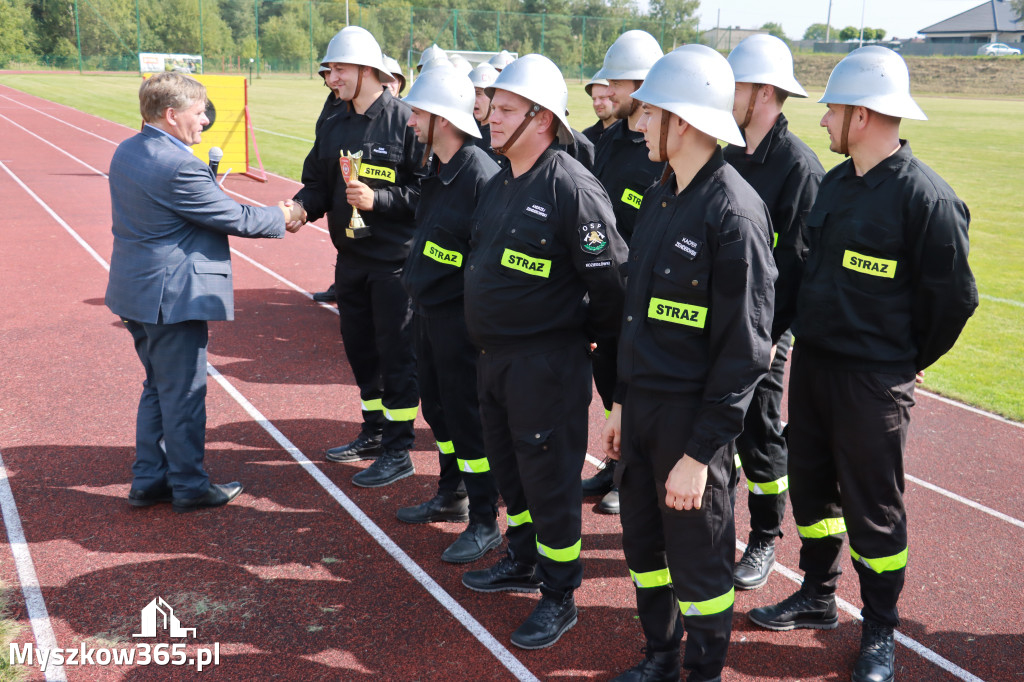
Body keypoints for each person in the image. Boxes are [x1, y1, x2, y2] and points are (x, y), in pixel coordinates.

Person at [747, 46, 978, 682]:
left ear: (864, 113)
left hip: (874, 381)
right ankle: (819, 598)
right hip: (816, 368)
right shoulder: (837, 185)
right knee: (814, 491)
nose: (822, 121)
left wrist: (905, 360)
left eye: (833, 110)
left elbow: (954, 301)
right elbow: (804, 271)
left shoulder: (925, 199)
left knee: (875, 508)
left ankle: (879, 630)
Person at [601, 45, 776, 681]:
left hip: (690, 423)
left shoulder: (735, 213)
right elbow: (636, 314)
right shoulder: (661, 194)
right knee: (644, 549)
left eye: (652, 113)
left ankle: (702, 673)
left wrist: (701, 454)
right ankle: (660, 657)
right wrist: (621, 400)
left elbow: (745, 350)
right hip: (643, 410)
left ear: (687, 123)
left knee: (700, 567)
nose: (639, 123)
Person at [461, 54, 627, 650]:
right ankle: (523, 558)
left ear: (543, 119)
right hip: (496, 361)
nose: (492, 118)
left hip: (545, 368)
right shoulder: (503, 179)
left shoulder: (572, 188)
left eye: (505, 110)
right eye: (494, 107)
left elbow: (612, 288)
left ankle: (559, 596)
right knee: (513, 474)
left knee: (551, 485)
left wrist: (575, 338)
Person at [106, 72, 303, 513]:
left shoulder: (128, 149)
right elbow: (235, 218)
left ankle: (149, 480)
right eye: (199, 113)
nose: (205, 121)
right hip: (170, 298)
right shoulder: (179, 165)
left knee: (157, 387)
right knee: (184, 395)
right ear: (171, 115)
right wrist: (283, 214)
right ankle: (190, 486)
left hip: (134, 292)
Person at [291, 26, 427, 487]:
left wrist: (380, 201)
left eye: (340, 69)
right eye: (328, 71)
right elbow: (316, 184)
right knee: (361, 350)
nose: (332, 78)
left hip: (396, 263)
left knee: (397, 356)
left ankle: (399, 448)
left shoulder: (407, 121)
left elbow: (429, 193)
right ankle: (373, 431)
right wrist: (299, 208)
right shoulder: (331, 122)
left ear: (369, 70)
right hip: (349, 261)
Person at [723, 34, 825, 591]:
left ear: (763, 92)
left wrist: (767, 336)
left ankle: (765, 535)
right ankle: (714, 525)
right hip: (719, 321)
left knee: (760, 431)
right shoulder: (725, 148)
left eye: (735, 84)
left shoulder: (798, 169)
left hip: (766, 330)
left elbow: (800, 268)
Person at [396, 65, 503, 563]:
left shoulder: (479, 173)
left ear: (442, 117)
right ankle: (452, 492)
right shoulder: (437, 169)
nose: (412, 119)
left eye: (419, 111)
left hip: (458, 322)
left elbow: (485, 256)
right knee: (436, 410)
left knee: (466, 418)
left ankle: (484, 519)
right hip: (428, 312)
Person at [583, 29, 666, 516]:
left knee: (633, 385)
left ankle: (629, 474)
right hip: (605, 288)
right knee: (608, 378)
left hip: (641, 292)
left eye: (616, 83)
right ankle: (614, 465)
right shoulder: (607, 140)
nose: (606, 91)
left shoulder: (659, 149)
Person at [468, 62, 503, 167]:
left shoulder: (501, 134)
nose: (473, 99)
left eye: (478, 93)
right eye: (470, 93)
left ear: (493, 97)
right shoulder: (468, 132)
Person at [581, 76, 614, 146]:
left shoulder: (630, 135)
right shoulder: (586, 137)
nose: (596, 103)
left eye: (602, 98)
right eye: (594, 99)